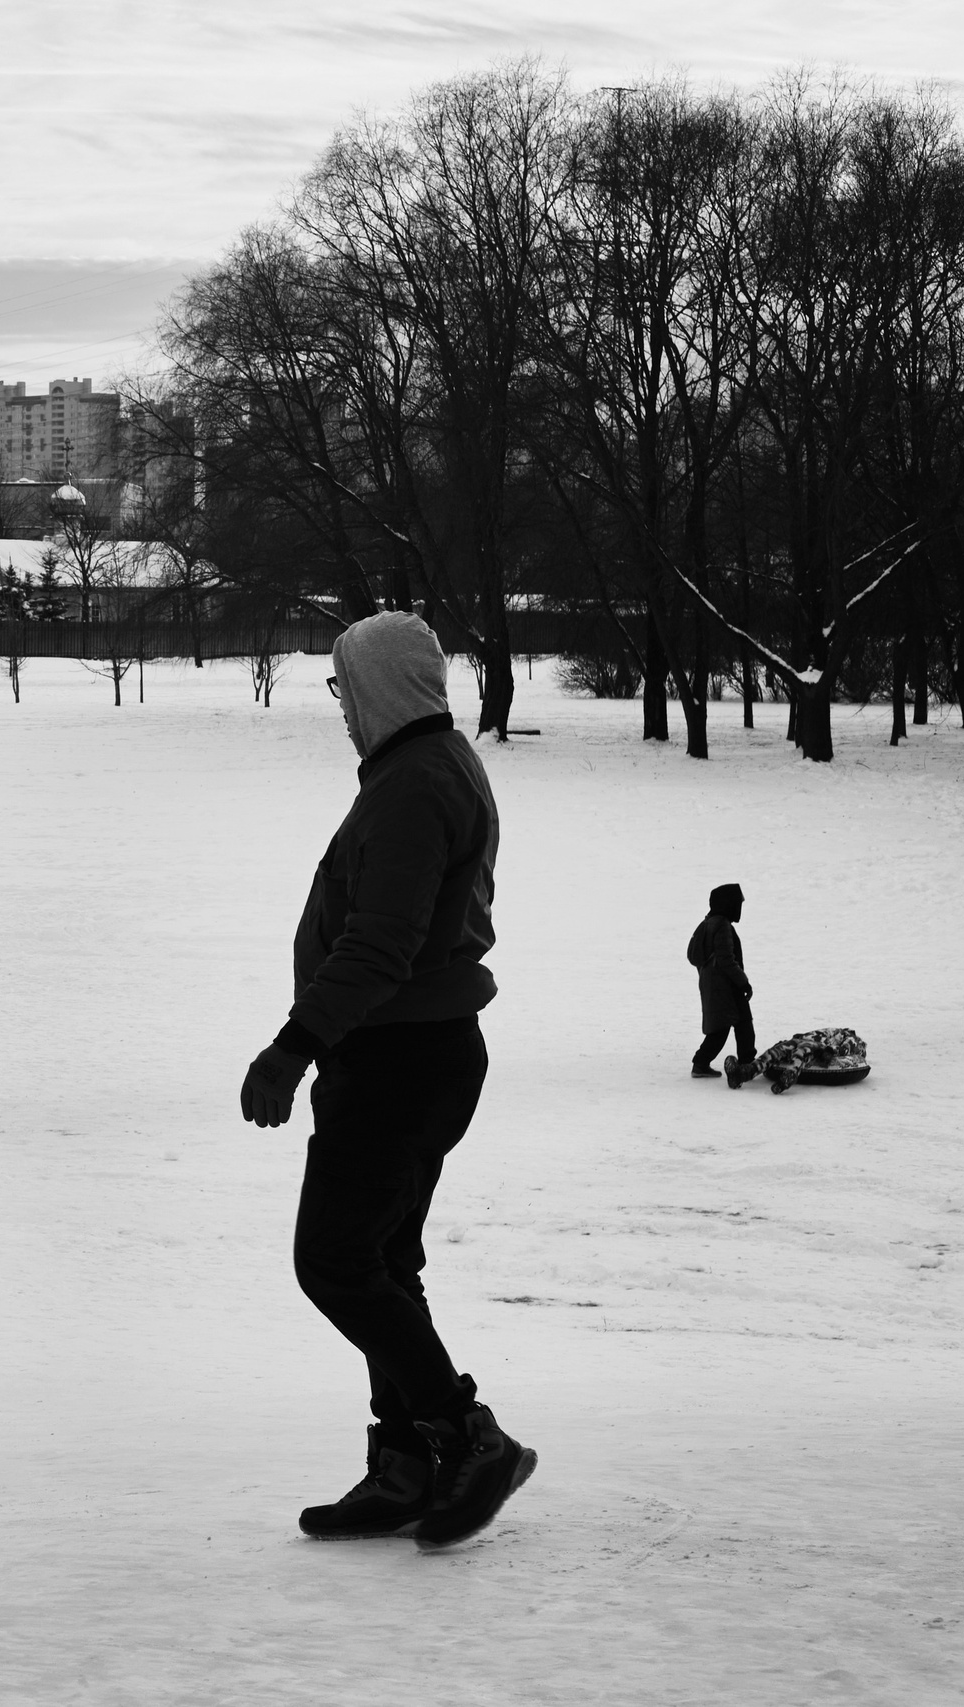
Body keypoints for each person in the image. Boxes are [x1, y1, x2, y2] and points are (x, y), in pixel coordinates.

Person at [238, 611, 534, 1550]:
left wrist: (292, 1046)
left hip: (398, 1057)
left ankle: (465, 1433)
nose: (341, 710)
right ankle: (407, 1461)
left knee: (333, 1259)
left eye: (343, 689)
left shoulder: (413, 784)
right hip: (415, 1051)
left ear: (379, 687)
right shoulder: (430, 764)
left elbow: (381, 941)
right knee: (383, 1262)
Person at [688, 883, 756, 1083]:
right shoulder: (721, 925)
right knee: (727, 1026)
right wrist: (744, 983)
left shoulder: (710, 922)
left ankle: (746, 1061)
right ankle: (703, 1063)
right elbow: (727, 960)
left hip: (717, 985)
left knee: (737, 1022)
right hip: (725, 985)